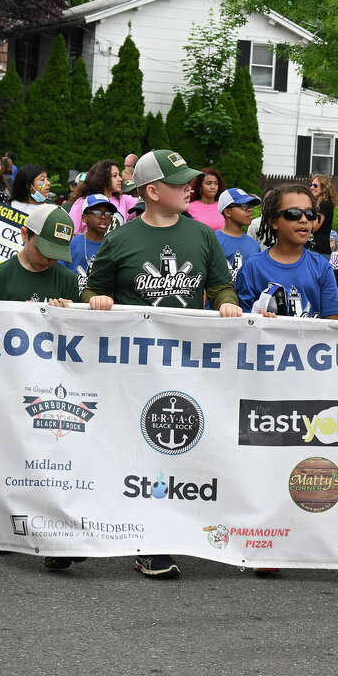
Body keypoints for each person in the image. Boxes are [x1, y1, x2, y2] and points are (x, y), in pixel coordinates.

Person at [82, 148, 241, 579]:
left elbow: (221, 285)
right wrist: (98, 301)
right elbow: (91, 292)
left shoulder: (202, 236)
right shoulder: (121, 238)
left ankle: (156, 540)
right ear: (152, 191)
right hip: (132, 365)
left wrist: (227, 304)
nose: (189, 186)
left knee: (174, 452)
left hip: (186, 363)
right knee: (124, 449)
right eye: (178, 182)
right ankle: (84, 532)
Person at [237, 184, 338, 319]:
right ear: (273, 221)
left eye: (310, 214)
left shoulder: (322, 267)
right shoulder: (253, 267)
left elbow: (333, 320)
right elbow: (242, 321)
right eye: (293, 214)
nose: (304, 220)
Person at [0, 204, 77, 305]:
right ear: (24, 234)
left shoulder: (68, 280)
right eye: (42, 251)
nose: (48, 260)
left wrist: (67, 315)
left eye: (56, 254)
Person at [68, 158, 136, 231]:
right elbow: (72, 233)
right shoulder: (82, 202)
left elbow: (147, 203)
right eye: (114, 175)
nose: (120, 179)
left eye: (119, 175)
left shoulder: (124, 200)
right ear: (102, 178)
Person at [69, 193, 118, 295]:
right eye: (97, 212)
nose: (103, 217)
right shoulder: (72, 244)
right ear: (84, 217)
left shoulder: (114, 246)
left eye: (108, 214)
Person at [215, 187, 261, 284]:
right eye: (244, 206)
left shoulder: (254, 244)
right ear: (228, 212)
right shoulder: (214, 240)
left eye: (251, 206)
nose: (250, 210)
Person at [187, 167, 227, 232]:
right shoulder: (189, 208)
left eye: (216, 183)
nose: (213, 187)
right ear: (200, 186)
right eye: (208, 183)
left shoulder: (224, 207)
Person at [309, 174, 337, 254]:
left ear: (324, 188)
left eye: (315, 185)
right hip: (314, 249)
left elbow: (314, 227)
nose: (311, 187)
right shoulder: (317, 204)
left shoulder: (325, 204)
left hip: (319, 251)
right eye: (311, 185)